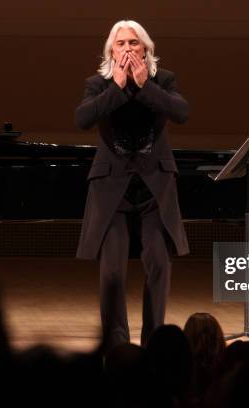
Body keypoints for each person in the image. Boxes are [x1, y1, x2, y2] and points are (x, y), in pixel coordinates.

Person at [75, 20, 189, 350]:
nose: (128, 49)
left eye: (134, 43)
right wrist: (118, 87)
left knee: (159, 263)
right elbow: (82, 119)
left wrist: (145, 86)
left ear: (146, 49)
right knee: (112, 273)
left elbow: (181, 112)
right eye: (121, 43)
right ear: (111, 51)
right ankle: (116, 346)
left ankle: (154, 343)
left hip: (154, 188)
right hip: (113, 189)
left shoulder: (162, 80)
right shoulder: (98, 84)